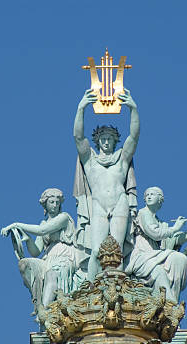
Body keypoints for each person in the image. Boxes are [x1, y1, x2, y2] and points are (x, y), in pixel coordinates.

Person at [73, 88, 140, 281]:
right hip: (98, 205)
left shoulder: (122, 158)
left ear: (115, 140)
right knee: (96, 251)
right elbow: (78, 137)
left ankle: (116, 290)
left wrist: (133, 109)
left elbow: (134, 138)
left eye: (110, 139)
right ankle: (91, 289)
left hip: (120, 203)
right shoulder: (90, 160)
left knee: (116, 251)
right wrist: (81, 108)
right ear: (97, 141)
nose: (106, 142)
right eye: (102, 139)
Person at [125, 187, 187, 303]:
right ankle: (169, 303)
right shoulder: (143, 213)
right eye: (147, 195)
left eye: (153, 194)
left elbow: (171, 239)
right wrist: (175, 228)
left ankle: (172, 299)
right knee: (160, 272)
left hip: (153, 255)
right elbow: (155, 233)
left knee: (179, 258)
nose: (149, 196)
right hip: (142, 256)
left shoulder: (160, 222)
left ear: (160, 199)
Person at [0, 188, 76, 312]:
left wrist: (16, 225)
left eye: (57, 202)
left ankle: (44, 312)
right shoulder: (43, 223)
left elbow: (42, 231)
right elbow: (35, 251)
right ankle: (40, 305)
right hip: (48, 257)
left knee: (51, 276)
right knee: (24, 265)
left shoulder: (64, 218)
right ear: (45, 203)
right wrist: (28, 238)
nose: (55, 205)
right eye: (51, 202)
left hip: (63, 255)